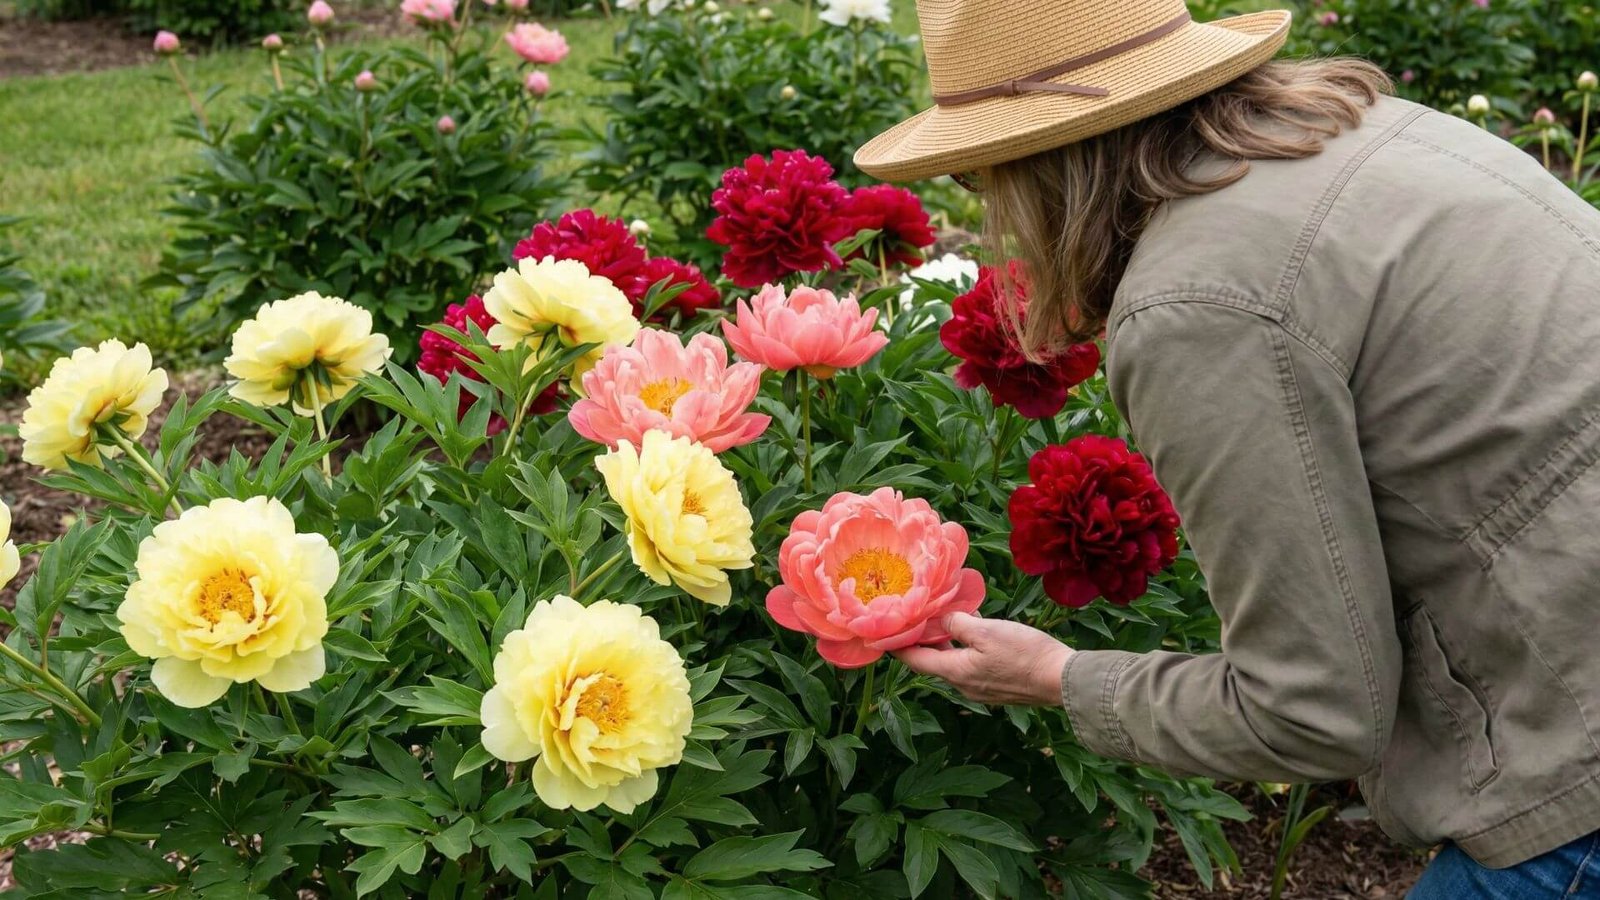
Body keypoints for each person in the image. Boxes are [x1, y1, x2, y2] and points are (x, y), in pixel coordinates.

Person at [853, 1, 1600, 896]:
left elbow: (1315, 713)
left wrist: (1060, 676)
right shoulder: (1373, 126)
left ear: (1037, 167)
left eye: (977, 179)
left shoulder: (1197, 305)